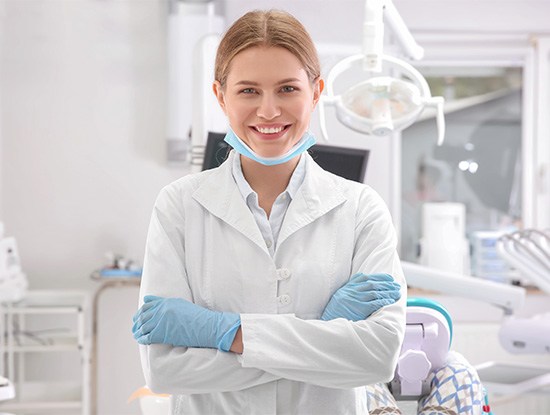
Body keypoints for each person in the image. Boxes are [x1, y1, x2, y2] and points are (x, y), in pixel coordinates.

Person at [132, 9, 406, 414]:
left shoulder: (361, 209)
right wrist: (324, 336)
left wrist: (223, 333)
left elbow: (378, 358)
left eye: (287, 89)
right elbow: (165, 369)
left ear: (315, 92)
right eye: (248, 91)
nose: (268, 111)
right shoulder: (180, 206)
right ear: (220, 95)